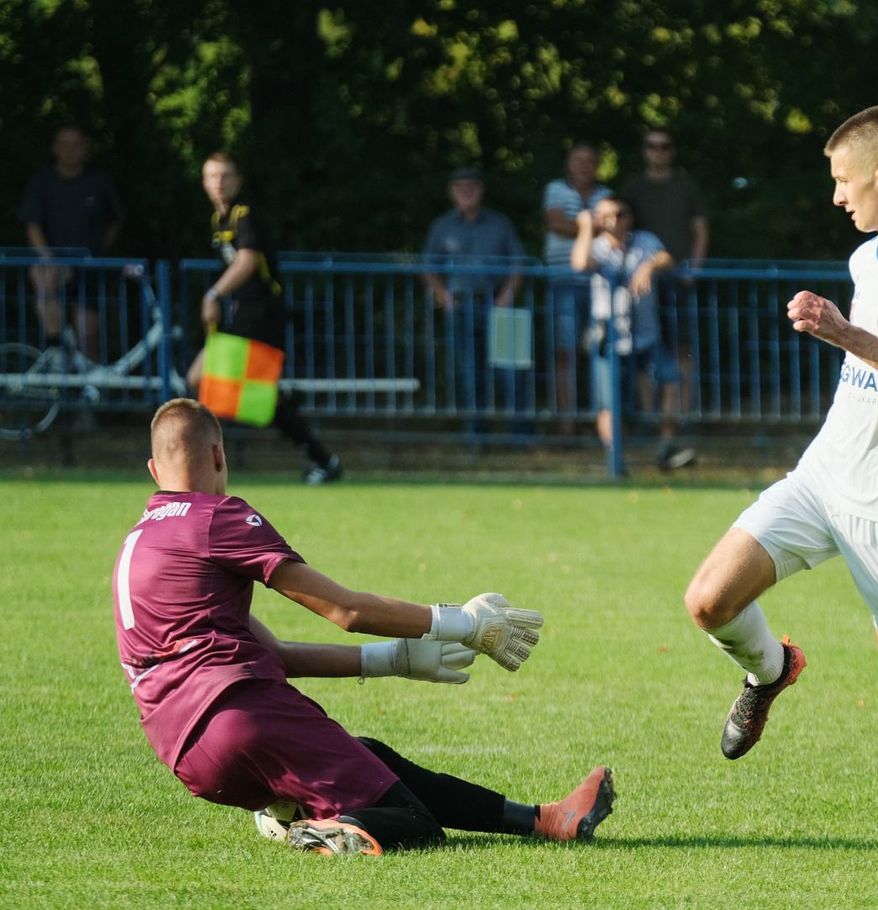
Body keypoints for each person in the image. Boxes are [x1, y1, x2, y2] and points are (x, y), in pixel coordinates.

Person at [113, 398, 615, 855]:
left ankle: (547, 820)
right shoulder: (214, 517)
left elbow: (278, 656)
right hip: (240, 715)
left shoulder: (140, 546)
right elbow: (345, 610)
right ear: (220, 456)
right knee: (412, 823)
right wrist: (461, 622)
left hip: (188, 755)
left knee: (366, 756)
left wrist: (390, 660)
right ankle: (316, 830)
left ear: (154, 470)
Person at [683, 105, 878, 858]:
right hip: (826, 475)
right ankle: (772, 669)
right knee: (709, 600)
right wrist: (845, 330)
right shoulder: (863, 259)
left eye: (843, 180)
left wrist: (840, 329)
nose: (836, 196)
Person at [186, 152, 342, 485]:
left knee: (208, 381)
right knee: (243, 393)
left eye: (225, 176)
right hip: (243, 316)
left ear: (238, 180)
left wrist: (213, 295)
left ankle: (202, 467)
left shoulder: (245, 215)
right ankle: (322, 458)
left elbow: (247, 261)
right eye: (211, 176)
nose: (218, 183)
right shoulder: (220, 220)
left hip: (262, 315)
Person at [571, 196, 693, 472]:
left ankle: (666, 448)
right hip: (610, 338)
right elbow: (579, 263)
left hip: (646, 335)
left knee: (671, 382)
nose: (613, 221)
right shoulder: (597, 246)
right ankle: (616, 461)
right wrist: (585, 228)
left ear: (629, 217)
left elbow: (666, 257)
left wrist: (648, 266)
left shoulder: (645, 240)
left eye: (619, 214)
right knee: (608, 401)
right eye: (605, 216)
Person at [423, 166, 529, 436]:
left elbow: (518, 263)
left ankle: (519, 435)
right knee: (470, 374)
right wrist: (443, 297)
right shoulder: (442, 226)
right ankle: (477, 437)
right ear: (451, 192)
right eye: (460, 187)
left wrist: (506, 296)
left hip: (499, 306)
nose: (466, 192)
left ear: (481, 190)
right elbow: (428, 267)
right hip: (461, 308)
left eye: (471, 186)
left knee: (512, 373)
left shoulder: (500, 223)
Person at [622, 126, 709, 418]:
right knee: (644, 346)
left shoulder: (686, 186)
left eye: (664, 146)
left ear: (672, 151)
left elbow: (700, 230)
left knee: (682, 346)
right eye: (651, 146)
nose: (657, 151)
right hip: (641, 282)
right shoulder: (633, 188)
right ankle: (650, 416)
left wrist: (693, 270)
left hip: (678, 277)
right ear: (644, 150)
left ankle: (682, 414)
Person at [19, 123, 125, 356]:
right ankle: (55, 348)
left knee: (89, 334)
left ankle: (90, 385)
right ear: (55, 148)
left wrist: (98, 249)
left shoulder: (99, 181)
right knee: (43, 276)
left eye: (76, 145)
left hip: (89, 267)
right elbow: (31, 223)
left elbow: (115, 220)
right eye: (64, 144)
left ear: (86, 148)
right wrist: (48, 259)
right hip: (54, 263)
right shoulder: (42, 181)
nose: (70, 150)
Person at [542, 142, 611, 434]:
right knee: (564, 352)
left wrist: (586, 226)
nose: (584, 165)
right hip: (563, 283)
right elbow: (556, 223)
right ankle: (566, 424)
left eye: (589, 160)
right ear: (568, 164)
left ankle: (604, 426)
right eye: (578, 160)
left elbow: (612, 227)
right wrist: (590, 226)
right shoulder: (556, 190)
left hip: (599, 285)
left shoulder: (605, 195)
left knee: (601, 353)